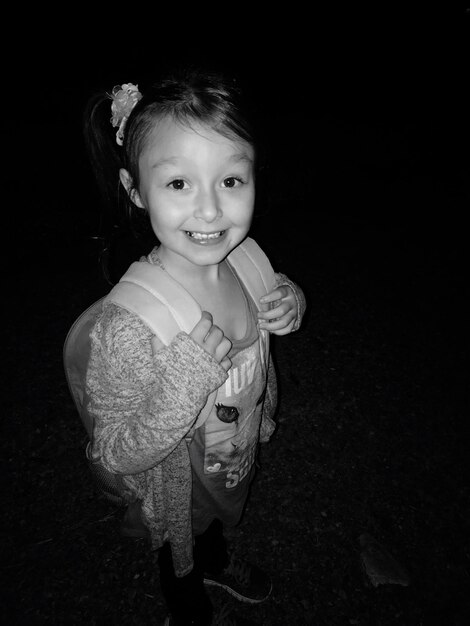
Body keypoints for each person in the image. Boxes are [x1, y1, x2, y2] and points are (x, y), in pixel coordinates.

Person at [82, 66, 306, 626]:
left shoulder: (249, 260)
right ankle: (185, 598)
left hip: (236, 453)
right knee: (179, 546)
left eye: (231, 181)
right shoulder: (129, 324)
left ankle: (213, 559)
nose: (210, 211)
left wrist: (290, 301)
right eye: (179, 183)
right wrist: (183, 385)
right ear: (136, 190)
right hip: (174, 485)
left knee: (214, 525)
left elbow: (271, 305)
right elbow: (112, 453)